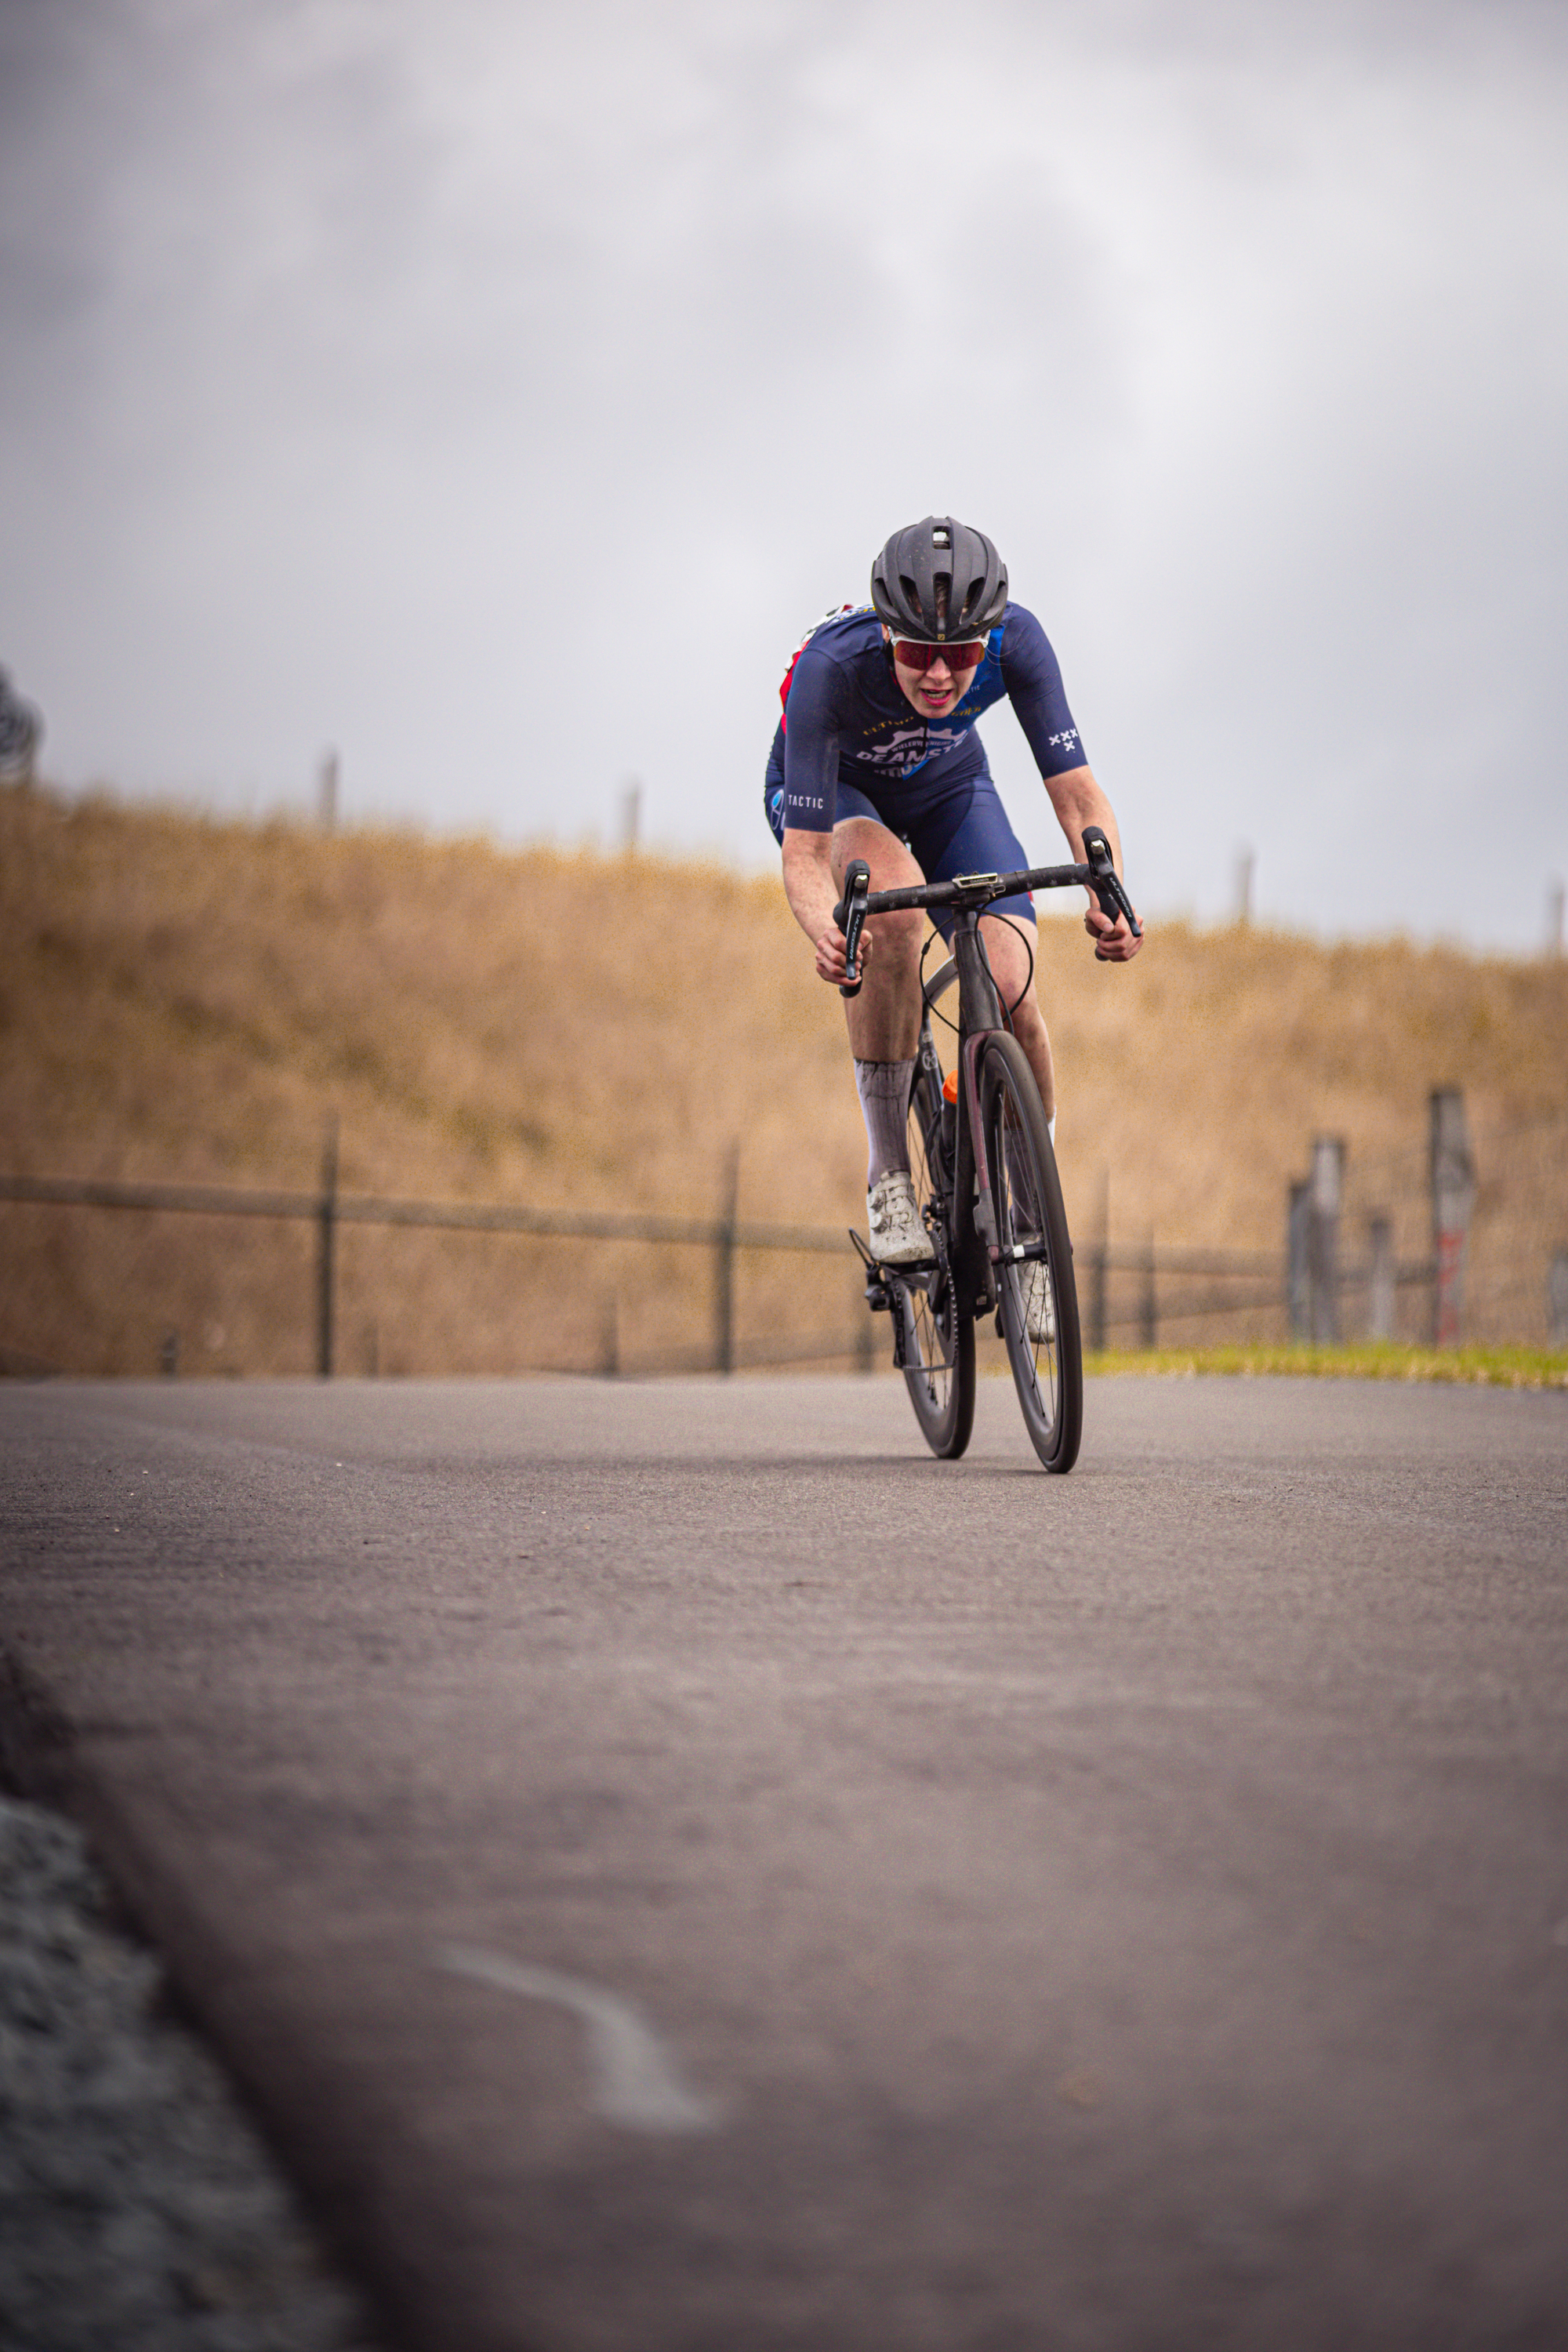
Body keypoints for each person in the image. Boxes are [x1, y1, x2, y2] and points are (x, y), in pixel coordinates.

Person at [765, 514, 1141, 1276]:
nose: (939, 677)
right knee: (894, 912)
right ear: (885, 639)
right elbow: (803, 858)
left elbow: (1076, 797)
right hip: (839, 797)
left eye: (961, 656)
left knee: (1011, 989)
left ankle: (1037, 1233)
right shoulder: (830, 669)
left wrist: (1109, 887)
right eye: (918, 656)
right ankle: (889, 1179)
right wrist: (825, 929)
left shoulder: (1019, 642)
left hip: (947, 787)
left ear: (988, 639)